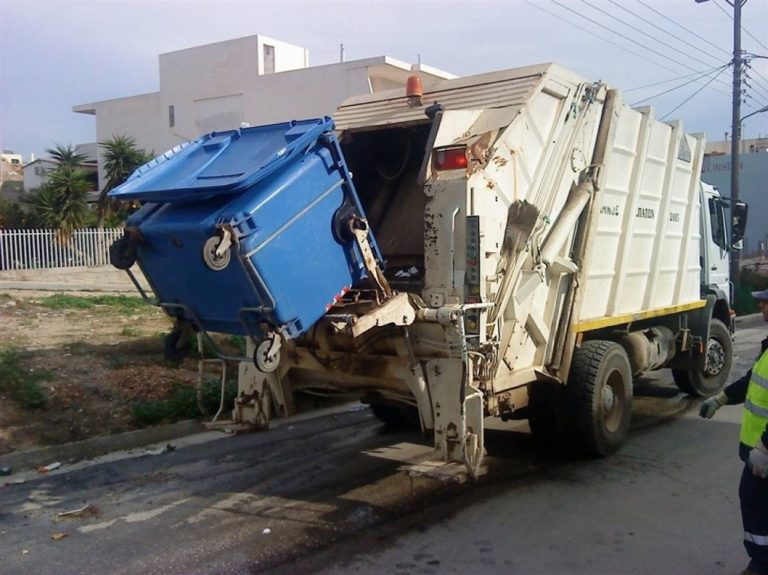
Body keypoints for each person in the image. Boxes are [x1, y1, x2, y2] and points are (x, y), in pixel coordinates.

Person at [700, 289, 768, 575]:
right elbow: (753, 380)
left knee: (756, 506)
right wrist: (721, 398)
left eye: (767, 301)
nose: (761, 305)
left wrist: (765, 448)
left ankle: (762, 565)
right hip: (758, 452)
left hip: (763, 455)